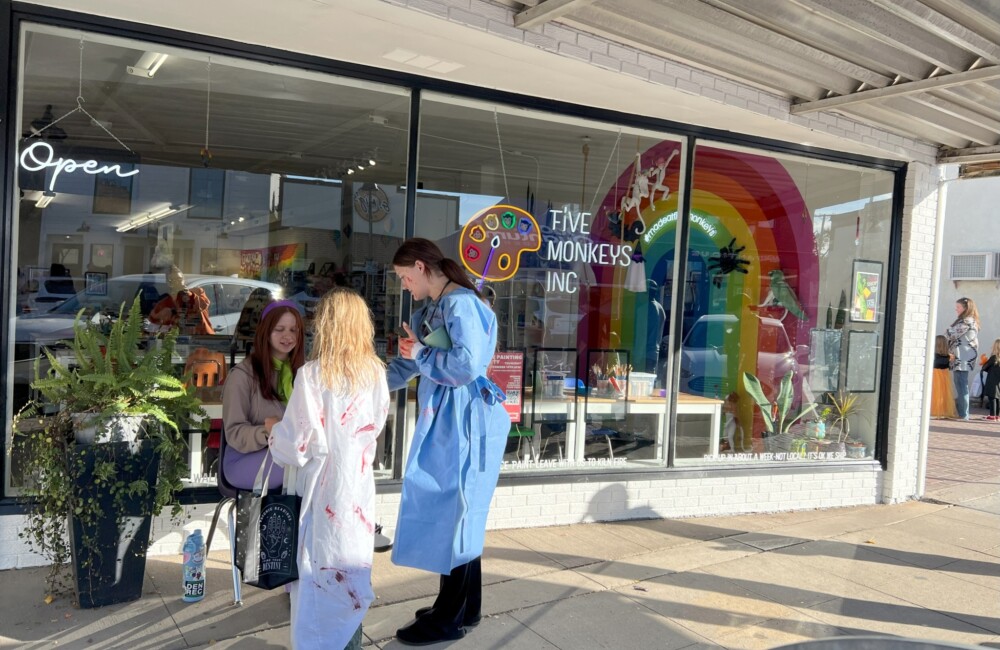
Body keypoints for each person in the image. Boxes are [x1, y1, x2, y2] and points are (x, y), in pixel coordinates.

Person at [386, 238, 508, 646]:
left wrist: (420, 353)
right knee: (456, 511)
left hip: (463, 418)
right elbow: (409, 364)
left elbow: (467, 364)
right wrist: (365, 381)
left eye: (405, 277)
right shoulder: (435, 306)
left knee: (454, 510)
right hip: (450, 417)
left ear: (421, 267)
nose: (404, 286)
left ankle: (450, 616)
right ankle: (462, 607)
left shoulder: (460, 304)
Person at [269, 287, 390, 650]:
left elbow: (296, 445)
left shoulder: (312, 376)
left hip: (321, 491)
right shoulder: (375, 374)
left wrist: (274, 433)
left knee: (318, 575)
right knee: (350, 574)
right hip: (356, 488)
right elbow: (377, 426)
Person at [221, 299, 304, 490]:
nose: (287, 336)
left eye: (293, 330)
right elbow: (233, 433)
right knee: (306, 468)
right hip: (245, 459)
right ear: (265, 332)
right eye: (279, 329)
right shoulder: (242, 376)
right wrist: (267, 432)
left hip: (289, 454)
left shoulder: (303, 373)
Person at [149, 265, 214, 335]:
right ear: (169, 283)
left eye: (179, 279)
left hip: (202, 338)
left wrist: (188, 294)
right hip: (178, 340)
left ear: (183, 280)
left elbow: (203, 305)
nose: (177, 283)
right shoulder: (165, 303)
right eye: (173, 280)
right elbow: (153, 323)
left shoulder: (197, 292)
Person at [945, 297, 980, 421]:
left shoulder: (967, 321)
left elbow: (951, 333)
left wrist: (949, 330)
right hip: (961, 358)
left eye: (958, 307)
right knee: (960, 384)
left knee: (961, 385)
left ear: (966, 308)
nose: (956, 309)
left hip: (962, 358)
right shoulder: (967, 321)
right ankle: (962, 413)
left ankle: (964, 414)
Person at [931, 335, 957, 419]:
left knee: (935, 393)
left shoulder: (933, 355)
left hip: (935, 374)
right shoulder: (948, 356)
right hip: (945, 375)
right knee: (944, 393)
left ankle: (933, 410)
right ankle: (942, 409)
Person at [981, 339, 1000, 421]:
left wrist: (984, 361)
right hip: (998, 382)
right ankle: (997, 415)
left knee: (992, 398)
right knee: (998, 398)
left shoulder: (994, 358)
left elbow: (985, 367)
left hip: (992, 380)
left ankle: (992, 415)